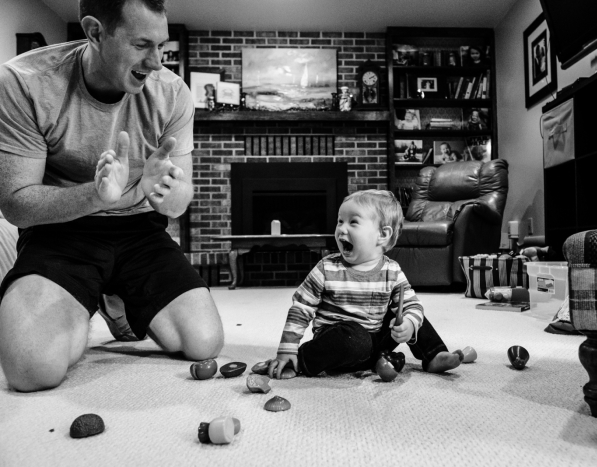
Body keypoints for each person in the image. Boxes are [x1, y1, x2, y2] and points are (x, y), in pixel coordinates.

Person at [0, 0, 224, 392]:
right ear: (95, 32)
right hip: (61, 233)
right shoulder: (24, 83)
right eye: (142, 45)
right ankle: (91, 294)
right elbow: (16, 204)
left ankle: (116, 294)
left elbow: (179, 199)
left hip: (141, 232)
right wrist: (96, 197)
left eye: (161, 45)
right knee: (32, 370)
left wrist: (165, 194)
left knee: (203, 343)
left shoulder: (172, 93)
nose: (156, 62)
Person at [262, 190, 465, 379]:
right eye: (340, 221)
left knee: (406, 314)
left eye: (353, 222)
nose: (342, 228)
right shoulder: (326, 268)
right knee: (355, 339)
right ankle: (301, 359)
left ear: (382, 235)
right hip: (341, 345)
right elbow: (301, 308)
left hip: (377, 342)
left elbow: (413, 305)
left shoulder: (392, 271)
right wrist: (286, 349)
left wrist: (409, 325)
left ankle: (433, 355)